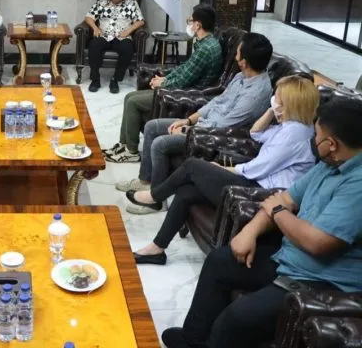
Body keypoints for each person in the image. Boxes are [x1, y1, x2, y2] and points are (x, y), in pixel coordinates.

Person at [161, 97, 362, 348]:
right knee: (219, 262)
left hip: (321, 280)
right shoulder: (329, 164)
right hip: (290, 258)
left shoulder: (357, 184)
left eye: (317, 136)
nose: (313, 141)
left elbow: (317, 241)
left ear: (332, 144)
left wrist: (277, 211)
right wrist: (251, 231)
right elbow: (286, 198)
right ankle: (193, 340)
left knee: (234, 320)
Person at [127, 75, 319, 264]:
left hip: (258, 191)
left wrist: (227, 169)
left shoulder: (294, 133)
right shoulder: (292, 126)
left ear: (291, 105)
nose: (274, 101)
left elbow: (259, 168)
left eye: (278, 100)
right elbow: (255, 133)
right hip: (255, 183)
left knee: (192, 166)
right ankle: (157, 249)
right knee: (186, 192)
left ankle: (155, 196)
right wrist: (271, 110)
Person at [116, 32, 274, 202]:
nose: (235, 55)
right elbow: (217, 101)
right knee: (152, 126)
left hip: (212, 136)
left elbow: (226, 124)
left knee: (160, 144)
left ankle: (156, 199)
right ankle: (146, 181)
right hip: (202, 125)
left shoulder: (256, 94)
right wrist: (188, 120)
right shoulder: (241, 76)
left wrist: (189, 130)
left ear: (244, 61)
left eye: (238, 52)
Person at [104, 4, 223, 162]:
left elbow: (184, 80)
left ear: (198, 25)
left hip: (187, 94)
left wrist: (163, 85)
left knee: (133, 101)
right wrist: (164, 79)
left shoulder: (206, 49)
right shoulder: (205, 42)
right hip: (183, 87)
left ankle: (131, 152)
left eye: (190, 21)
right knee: (129, 97)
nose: (189, 24)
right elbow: (185, 69)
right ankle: (123, 144)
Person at [84, 0, 145, 93]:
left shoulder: (131, 4)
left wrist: (128, 30)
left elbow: (140, 21)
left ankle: (115, 79)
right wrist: (95, 28)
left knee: (127, 48)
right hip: (104, 35)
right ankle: (95, 79)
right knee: (94, 44)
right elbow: (88, 17)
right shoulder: (101, 3)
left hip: (122, 36)